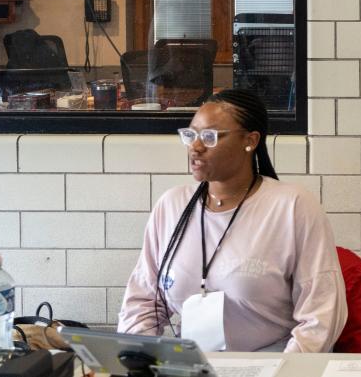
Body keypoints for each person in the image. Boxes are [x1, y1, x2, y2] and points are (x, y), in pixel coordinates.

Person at [118, 89, 348, 352]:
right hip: (192, 366)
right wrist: (143, 361)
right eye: (191, 135)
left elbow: (321, 315)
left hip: (271, 367)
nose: (195, 147)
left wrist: (286, 370)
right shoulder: (171, 206)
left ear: (249, 141)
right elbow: (143, 302)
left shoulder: (292, 207)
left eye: (209, 136)